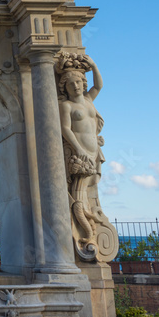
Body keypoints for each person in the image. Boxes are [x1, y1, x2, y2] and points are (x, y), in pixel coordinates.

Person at [58, 55, 105, 255]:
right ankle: (86, 233)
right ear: (64, 87)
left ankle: (87, 230)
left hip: (93, 153)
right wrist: (78, 149)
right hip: (79, 154)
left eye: (78, 82)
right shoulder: (66, 106)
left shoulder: (87, 100)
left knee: (84, 194)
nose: (76, 86)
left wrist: (93, 65)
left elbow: (99, 86)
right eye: (70, 84)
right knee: (78, 195)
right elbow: (64, 129)